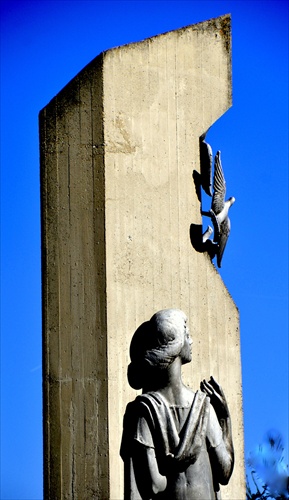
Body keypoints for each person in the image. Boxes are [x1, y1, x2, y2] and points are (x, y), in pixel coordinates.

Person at [120, 309, 234, 499]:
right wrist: (224, 418)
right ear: (176, 344)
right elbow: (225, 471)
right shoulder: (204, 407)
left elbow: (153, 486)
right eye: (187, 335)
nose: (191, 341)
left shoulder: (143, 411)